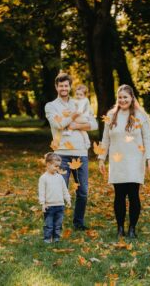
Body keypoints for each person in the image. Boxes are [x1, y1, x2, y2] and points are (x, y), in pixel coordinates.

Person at [98, 84, 150, 238]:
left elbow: (147, 138)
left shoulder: (140, 115)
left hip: (135, 160)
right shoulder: (111, 115)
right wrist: (102, 158)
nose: (122, 100)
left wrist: (149, 158)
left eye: (125, 97)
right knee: (119, 195)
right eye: (120, 97)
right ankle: (120, 228)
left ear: (131, 98)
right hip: (117, 160)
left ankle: (132, 229)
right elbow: (105, 139)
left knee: (134, 194)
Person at [45, 73, 98, 231]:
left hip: (81, 152)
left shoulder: (79, 103)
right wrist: (73, 118)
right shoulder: (50, 106)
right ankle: (56, 224)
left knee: (82, 191)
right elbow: (57, 124)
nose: (63, 88)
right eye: (60, 85)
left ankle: (78, 222)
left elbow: (94, 124)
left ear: (69, 87)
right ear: (56, 87)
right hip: (61, 154)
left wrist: (74, 125)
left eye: (66, 85)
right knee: (58, 190)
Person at [38, 153, 72, 243]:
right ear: (48, 165)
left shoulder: (60, 177)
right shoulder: (43, 178)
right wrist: (43, 203)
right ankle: (47, 239)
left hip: (60, 205)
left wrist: (67, 199)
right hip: (49, 206)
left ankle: (56, 238)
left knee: (58, 224)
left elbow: (64, 189)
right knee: (49, 224)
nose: (58, 168)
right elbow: (41, 191)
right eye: (56, 166)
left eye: (58, 166)